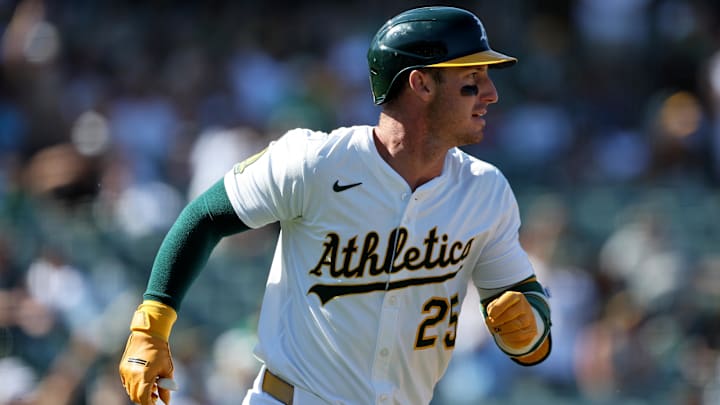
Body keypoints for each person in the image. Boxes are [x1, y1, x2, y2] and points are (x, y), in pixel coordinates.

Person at [118, 6, 552, 405]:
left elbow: (528, 314)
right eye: (472, 78)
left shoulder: (485, 190)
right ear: (420, 83)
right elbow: (205, 217)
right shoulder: (316, 162)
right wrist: (150, 326)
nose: (491, 93)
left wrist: (528, 331)